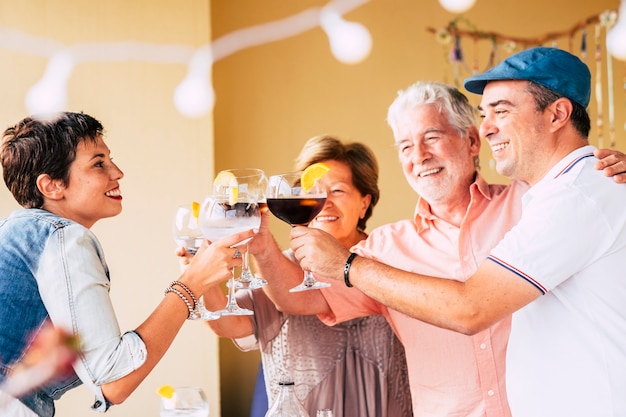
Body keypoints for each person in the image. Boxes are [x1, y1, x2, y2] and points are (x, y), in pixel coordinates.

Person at [289, 47, 626, 417]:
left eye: (502, 110)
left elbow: (472, 307)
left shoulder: (575, 195)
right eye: (485, 114)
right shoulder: (564, 193)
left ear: (558, 114)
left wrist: (348, 265)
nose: (487, 127)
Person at [0, 112, 253, 417]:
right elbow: (114, 381)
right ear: (52, 186)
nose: (117, 172)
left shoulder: (18, 233)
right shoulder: (63, 236)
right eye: (98, 163)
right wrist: (193, 283)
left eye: (110, 160)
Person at [195, 135, 413, 416]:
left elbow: (297, 297)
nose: (323, 202)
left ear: (364, 202)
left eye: (337, 191)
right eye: (312, 190)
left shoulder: (388, 263)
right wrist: (197, 271)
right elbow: (228, 323)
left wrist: (263, 250)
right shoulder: (280, 269)